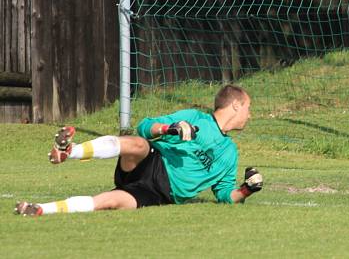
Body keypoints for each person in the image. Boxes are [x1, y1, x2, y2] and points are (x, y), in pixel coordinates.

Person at [14, 84, 263, 216]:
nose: (250, 115)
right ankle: (72, 151)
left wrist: (246, 189)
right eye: (248, 108)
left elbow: (225, 196)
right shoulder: (194, 117)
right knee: (138, 143)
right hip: (151, 162)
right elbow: (144, 126)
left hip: (160, 194)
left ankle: (40, 210)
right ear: (236, 105)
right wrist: (169, 128)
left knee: (111, 201)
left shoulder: (230, 153)